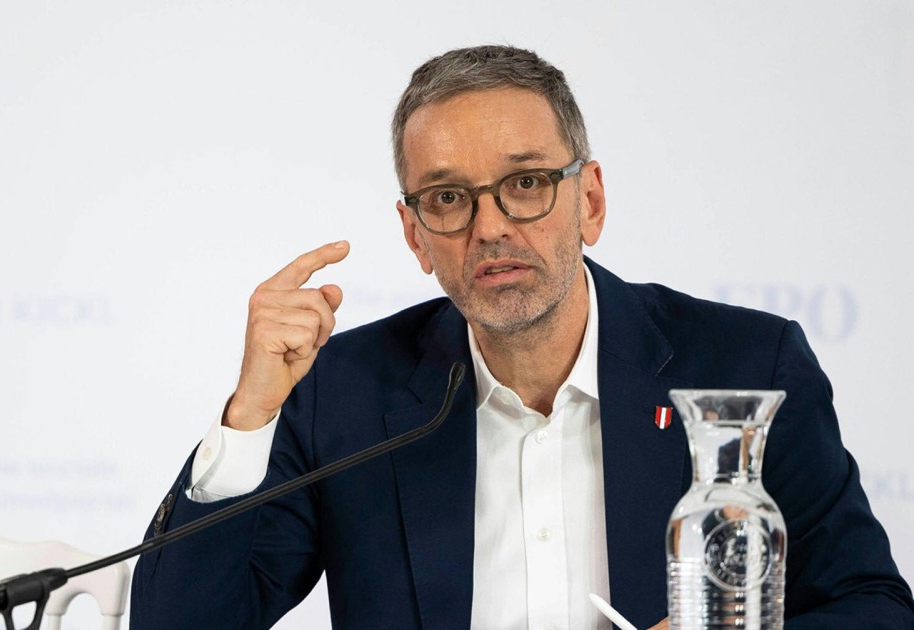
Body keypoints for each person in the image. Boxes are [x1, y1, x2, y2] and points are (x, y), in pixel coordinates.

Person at [129, 45, 914, 629]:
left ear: (590, 201)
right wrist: (250, 417)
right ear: (414, 235)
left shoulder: (745, 367)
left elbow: (870, 607)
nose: (491, 227)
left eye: (527, 183)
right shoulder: (343, 394)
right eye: (447, 197)